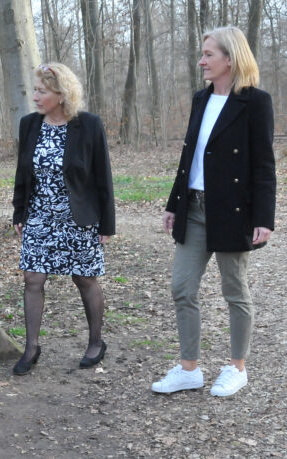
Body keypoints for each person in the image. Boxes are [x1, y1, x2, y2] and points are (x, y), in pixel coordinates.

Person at [152, 26, 275, 397]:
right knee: (181, 287)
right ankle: (189, 369)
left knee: (234, 290)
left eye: (209, 54)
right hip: (194, 207)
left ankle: (237, 367)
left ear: (230, 59)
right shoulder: (200, 99)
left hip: (233, 211)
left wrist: (263, 218)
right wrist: (175, 204)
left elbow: (263, 166)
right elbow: (188, 156)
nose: (201, 61)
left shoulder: (255, 102)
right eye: (202, 54)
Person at [11, 62, 115, 375]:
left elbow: (103, 178)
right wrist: (19, 211)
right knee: (33, 278)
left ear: (61, 94)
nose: (36, 96)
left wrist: (106, 225)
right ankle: (31, 347)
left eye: (42, 91)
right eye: (35, 90)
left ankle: (96, 341)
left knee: (84, 278)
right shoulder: (30, 125)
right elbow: (22, 172)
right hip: (40, 215)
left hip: (78, 217)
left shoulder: (89, 125)